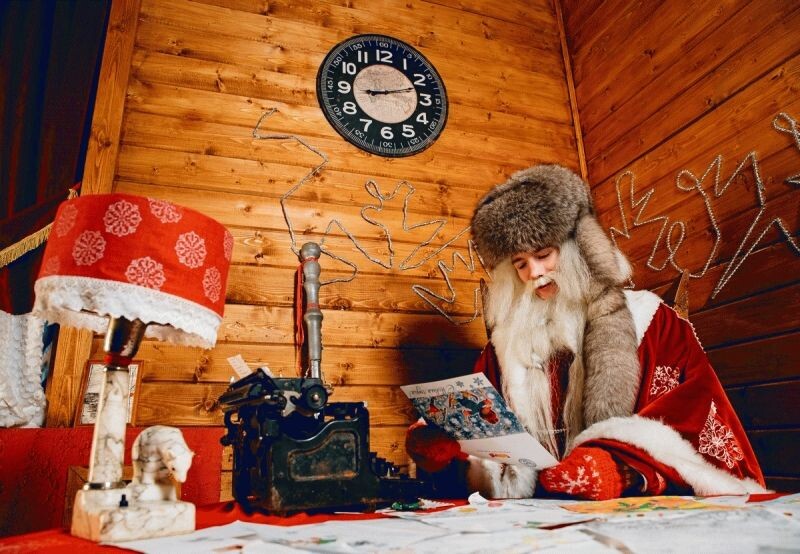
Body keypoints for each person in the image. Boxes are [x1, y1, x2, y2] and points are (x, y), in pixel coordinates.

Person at [407, 164, 767, 500]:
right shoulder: (507, 344)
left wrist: (621, 467)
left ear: (576, 249)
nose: (534, 273)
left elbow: (691, 410)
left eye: (543, 255)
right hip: (539, 512)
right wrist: (447, 445)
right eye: (520, 264)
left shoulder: (649, 320)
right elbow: (484, 426)